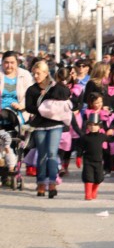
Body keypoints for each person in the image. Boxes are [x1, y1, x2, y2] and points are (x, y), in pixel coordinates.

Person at [26, 62, 72, 198]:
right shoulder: (32, 90)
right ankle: (41, 183)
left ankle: (52, 183)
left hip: (55, 125)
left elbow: (67, 95)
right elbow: (29, 107)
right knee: (42, 154)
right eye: (34, 73)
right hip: (39, 125)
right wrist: (42, 109)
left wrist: (54, 88)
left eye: (38, 73)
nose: (36, 76)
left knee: (52, 153)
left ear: (46, 73)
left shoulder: (54, 87)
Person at [80, 113, 113, 201]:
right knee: (88, 177)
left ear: (99, 126)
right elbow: (80, 147)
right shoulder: (84, 137)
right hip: (88, 161)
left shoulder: (102, 136)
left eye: (95, 125)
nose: (92, 127)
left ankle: (94, 190)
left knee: (99, 178)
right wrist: (78, 157)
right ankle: (88, 194)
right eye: (90, 125)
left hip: (98, 161)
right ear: (87, 126)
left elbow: (111, 140)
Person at [1, 50, 34, 124]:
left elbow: (30, 95)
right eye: (6, 62)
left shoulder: (25, 75)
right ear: (2, 62)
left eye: (12, 63)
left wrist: (22, 106)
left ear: (17, 63)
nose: (9, 66)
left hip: (18, 111)